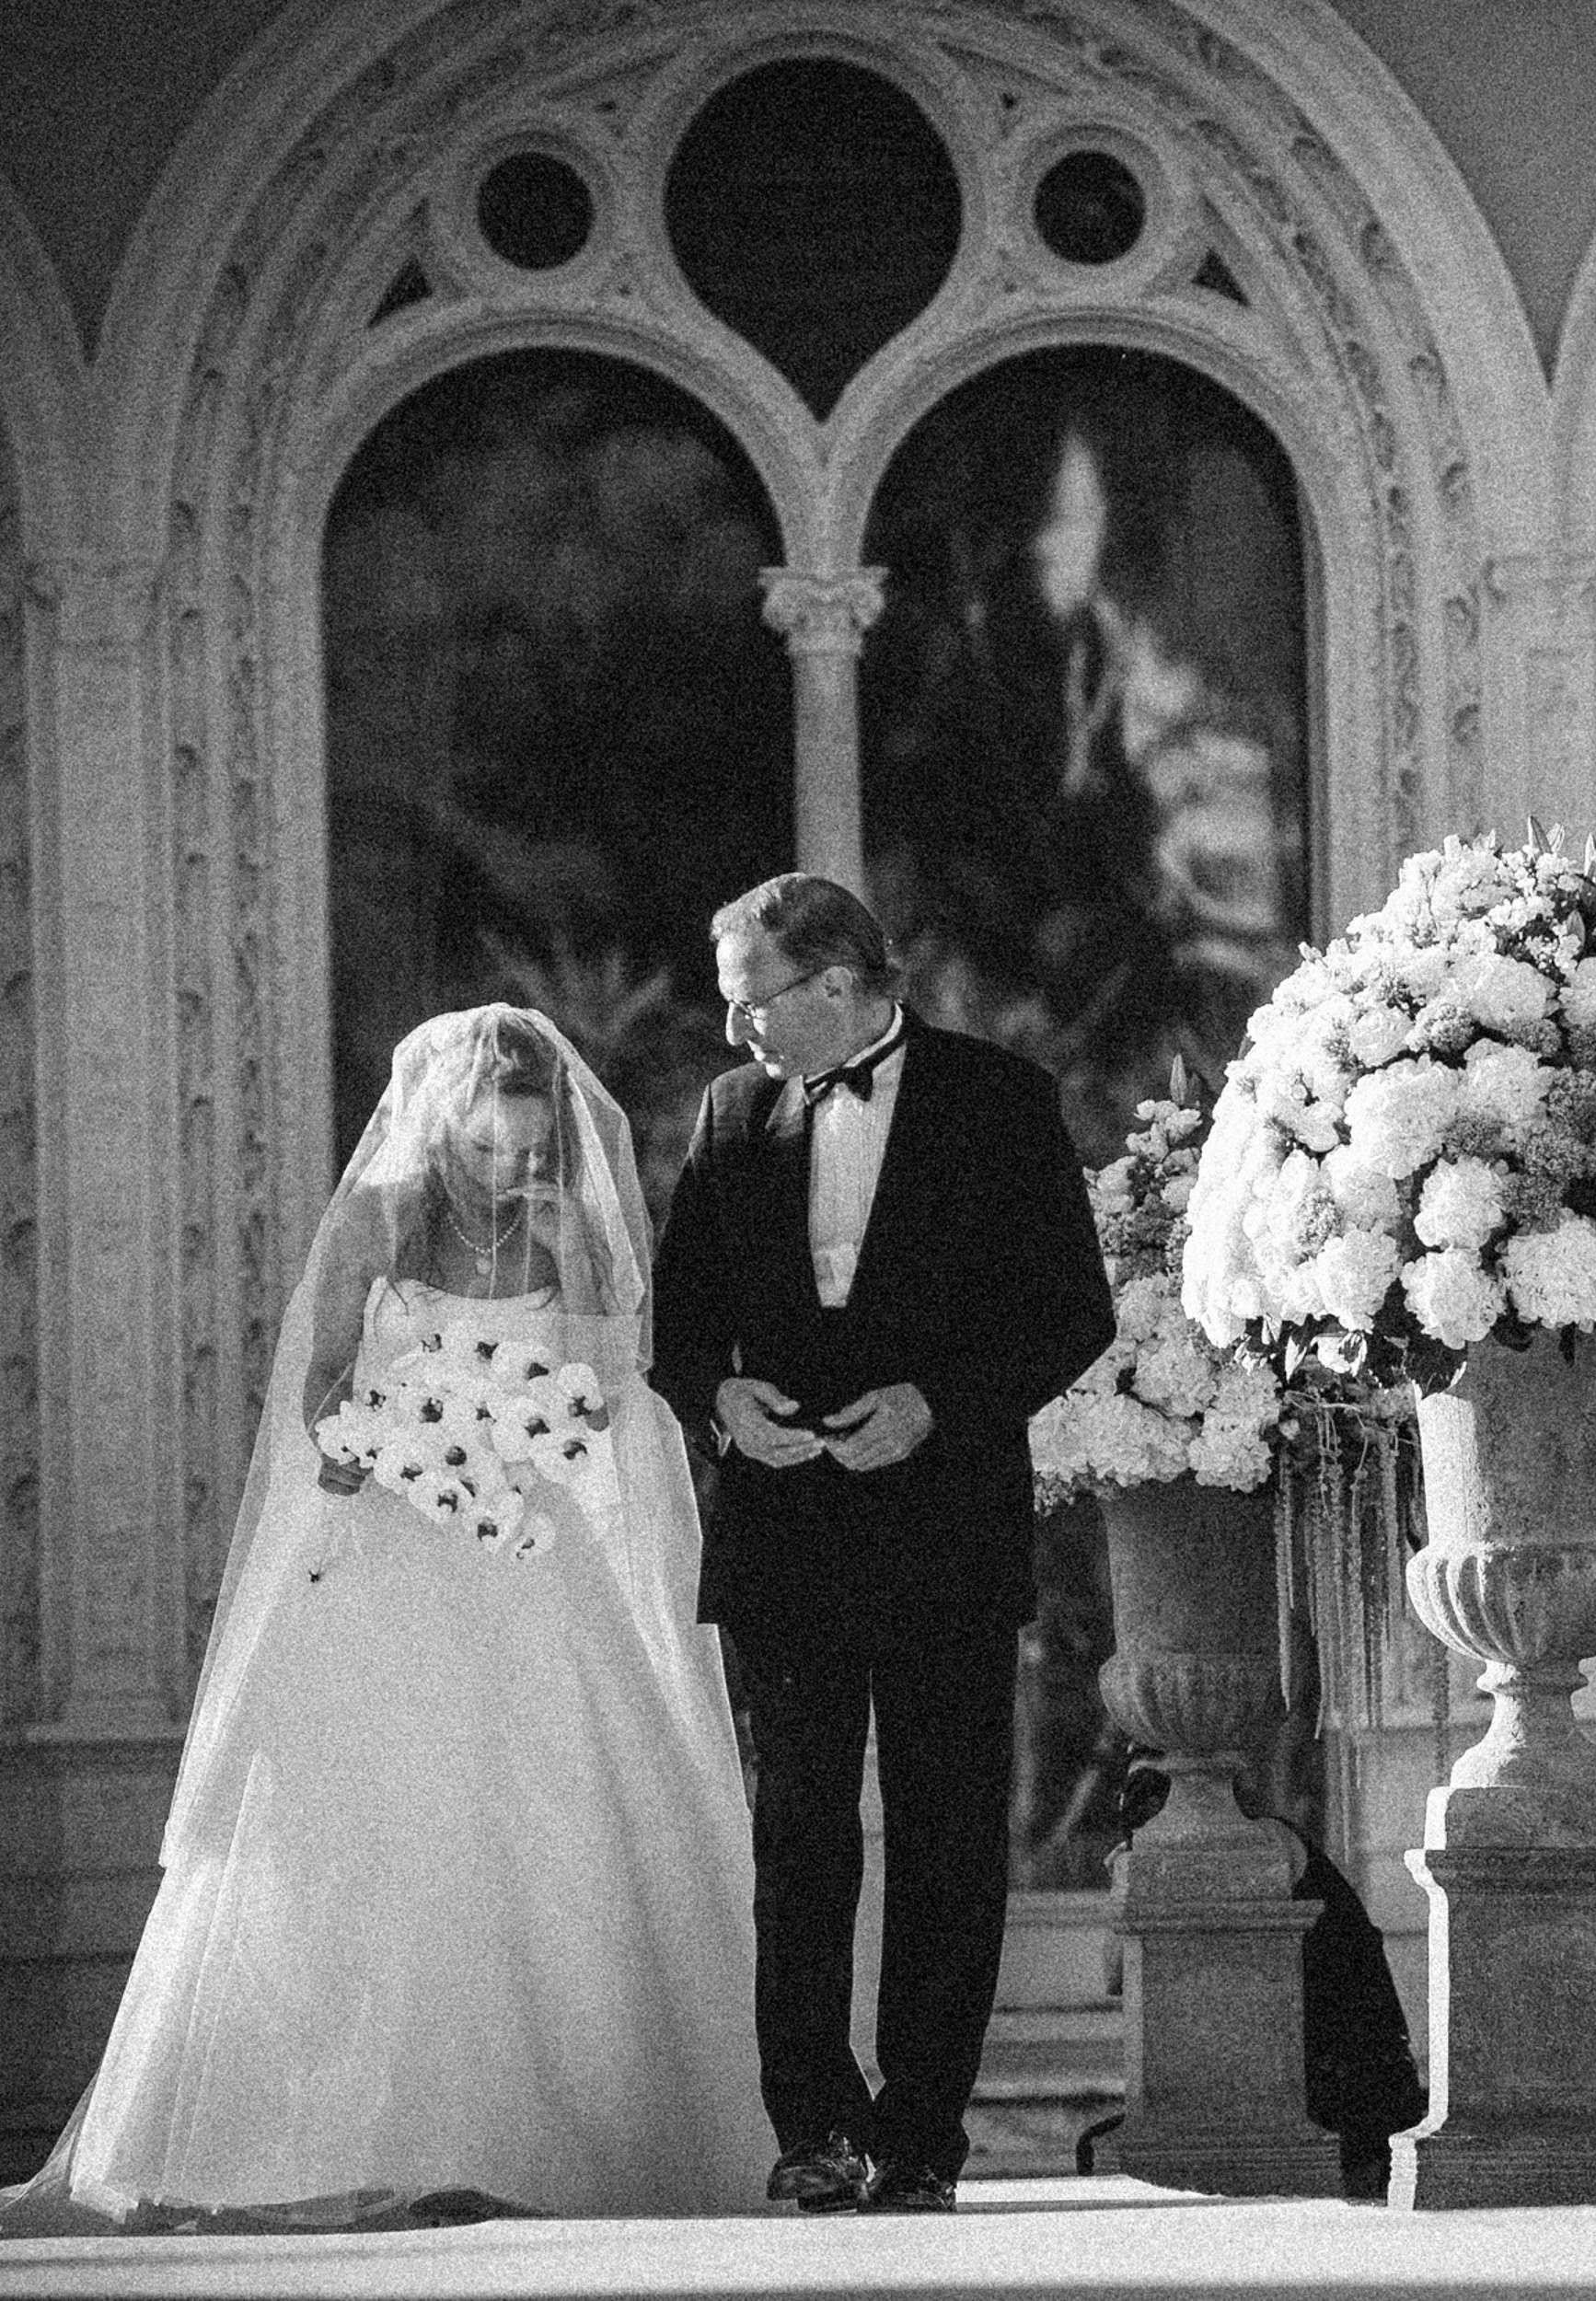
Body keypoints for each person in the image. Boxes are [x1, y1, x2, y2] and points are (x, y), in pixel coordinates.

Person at [1, 1007, 771, 2235]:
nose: (507, 1175)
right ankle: (335, 2143)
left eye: (525, 1154)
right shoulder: (375, 1219)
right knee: (363, 1824)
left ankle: (541, 2143)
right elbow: (315, 1383)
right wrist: (364, 1445)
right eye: (483, 1153)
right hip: (385, 1553)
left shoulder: (567, 1226)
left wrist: (534, 1384)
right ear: (434, 1133)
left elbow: (606, 1394)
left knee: (546, 1819)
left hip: (528, 1557)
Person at [651, 874, 1116, 2214]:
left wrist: (935, 1406)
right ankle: (817, 2129)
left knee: (946, 1840)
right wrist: (718, 1399)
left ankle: (921, 2138)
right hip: (781, 1534)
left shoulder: (1000, 1099)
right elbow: (682, 1320)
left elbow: (1068, 1314)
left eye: (755, 1007)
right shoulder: (729, 1113)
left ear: (842, 984)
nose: (739, 1037)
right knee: (797, 1840)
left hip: (944, 1524)